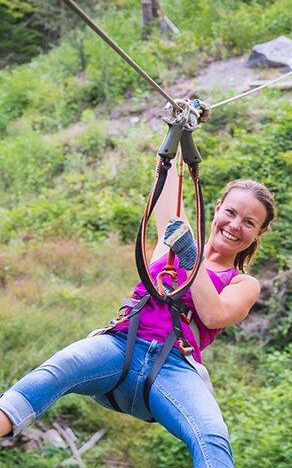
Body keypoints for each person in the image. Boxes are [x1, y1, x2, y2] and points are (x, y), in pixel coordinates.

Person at [0, 168, 276, 467]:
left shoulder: (242, 284)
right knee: (56, 371)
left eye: (249, 222)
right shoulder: (173, 240)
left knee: (211, 433)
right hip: (121, 346)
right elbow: (167, 175)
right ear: (218, 207)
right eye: (231, 212)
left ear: (259, 232)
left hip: (174, 367)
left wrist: (189, 256)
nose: (235, 225)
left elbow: (213, 314)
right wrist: (177, 132)